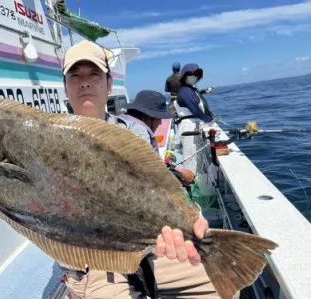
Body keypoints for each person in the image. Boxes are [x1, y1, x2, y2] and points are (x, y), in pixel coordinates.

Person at [61, 40, 218, 299]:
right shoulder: (54, 136)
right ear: (66, 86)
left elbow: (157, 187)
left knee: (218, 284)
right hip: (93, 256)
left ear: (109, 84)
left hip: (147, 244)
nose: (84, 82)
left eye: (94, 74)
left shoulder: (134, 132)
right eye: (75, 75)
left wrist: (187, 218)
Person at [121, 89, 195, 187]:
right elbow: (147, 173)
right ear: (147, 116)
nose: (160, 122)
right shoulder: (139, 132)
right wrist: (180, 176)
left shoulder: (123, 122)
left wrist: (176, 169)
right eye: (158, 117)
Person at [175, 63, 215, 174]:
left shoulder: (191, 89)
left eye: (196, 74)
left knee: (198, 156)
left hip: (194, 125)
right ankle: (190, 183)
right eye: (190, 74)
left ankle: (196, 179)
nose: (193, 76)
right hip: (189, 126)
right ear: (184, 76)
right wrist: (208, 119)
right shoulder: (185, 91)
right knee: (191, 157)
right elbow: (195, 109)